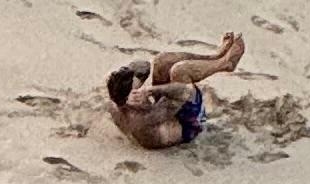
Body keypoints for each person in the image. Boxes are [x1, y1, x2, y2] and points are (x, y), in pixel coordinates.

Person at [105, 34, 246, 151]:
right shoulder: (144, 118)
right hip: (188, 124)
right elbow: (184, 92)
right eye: (135, 87)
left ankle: (215, 57)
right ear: (131, 98)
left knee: (161, 61)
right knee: (180, 71)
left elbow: (144, 66)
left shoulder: (115, 100)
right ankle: (223, 64)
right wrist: (151, 89)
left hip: (165, 112)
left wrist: (129, 79)